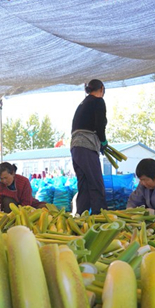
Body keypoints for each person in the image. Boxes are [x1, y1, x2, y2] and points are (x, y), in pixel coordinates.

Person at [70, 79, 108, 214]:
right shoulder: (98, 101)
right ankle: (101, 218)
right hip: (87, 145)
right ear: (101, 88)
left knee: (84, 185)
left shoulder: (83, 103)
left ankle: (81, 217)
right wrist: (103, 141)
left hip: (75, 147)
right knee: (96, 183)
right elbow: (100, 125)